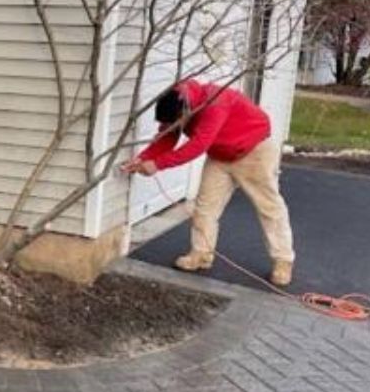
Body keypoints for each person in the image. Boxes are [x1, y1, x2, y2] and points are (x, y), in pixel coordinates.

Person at [122, 79, 295, 287]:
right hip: (220, 155)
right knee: (205, 207)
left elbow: (198, 145)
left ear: (186, 110)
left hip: (254, 150)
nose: (176, 126)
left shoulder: (215, 102)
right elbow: (167, 137)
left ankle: (283, 261)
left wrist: (158, 164)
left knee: (269, 207)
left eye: (177, 121)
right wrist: (142, 158)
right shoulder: (176, 103)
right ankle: (201, 254)